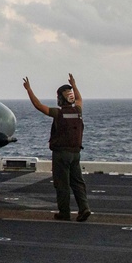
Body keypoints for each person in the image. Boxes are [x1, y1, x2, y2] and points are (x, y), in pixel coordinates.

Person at [22, 73, 92, 222]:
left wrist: (28, 90)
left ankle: (64, 213)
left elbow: (38, 106)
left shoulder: (58, 113)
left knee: (62, 184)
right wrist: (74, 84)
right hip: (76, 153)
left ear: (60, 98)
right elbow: (80, 99)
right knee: (78, 182)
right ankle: (84, 208)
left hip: (61, 154)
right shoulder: (78, 111)